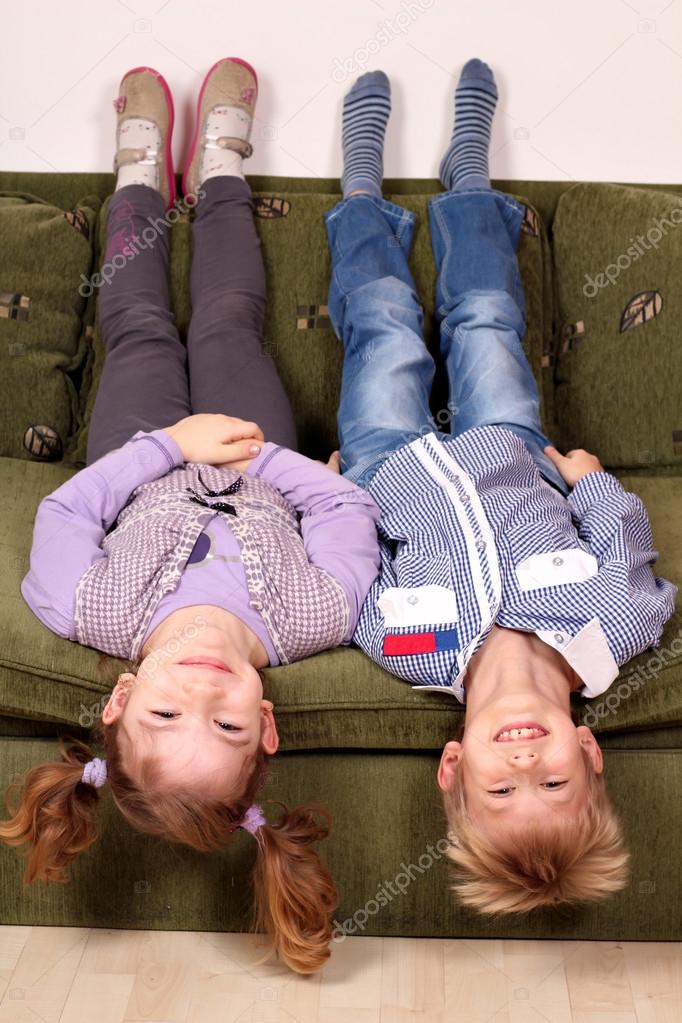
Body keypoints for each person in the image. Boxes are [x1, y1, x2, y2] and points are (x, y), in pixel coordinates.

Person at [1, 60, 380, 973]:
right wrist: (248, 452)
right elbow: (343, 500)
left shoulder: (88, 610)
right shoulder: (319, 615)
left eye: (167, 712)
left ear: (122, 697)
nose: (203, 695)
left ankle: (136, 171)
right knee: (225, 322)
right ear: (268, 724)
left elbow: (68, 505)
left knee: (135, 321)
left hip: (138, 451)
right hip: (255, 449)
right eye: (225, 726)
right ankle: (220, 167)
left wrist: (170, 446)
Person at [324, 61, 677, 912]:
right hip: (509, 445)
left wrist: (328, 499)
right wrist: (591, 484)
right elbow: (629, 546)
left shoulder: (413, 653)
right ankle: (470, 173)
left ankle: (361, 179)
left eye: (500, 791)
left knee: (382, 327)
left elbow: (357, 574)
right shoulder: (611, 631)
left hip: (386, 462)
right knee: (484, 315)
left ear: (455, 767)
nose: (525, 769)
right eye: (552, 787)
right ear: (589, 758)